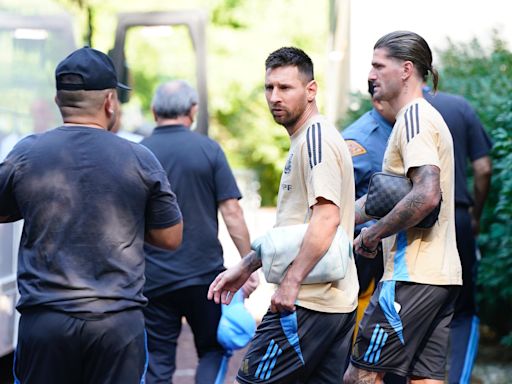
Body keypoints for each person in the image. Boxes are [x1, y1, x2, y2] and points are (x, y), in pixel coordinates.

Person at [0, 47, 183, 384]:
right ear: (110, 101)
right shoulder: (139, 159)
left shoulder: (25, 153)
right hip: (116, 325)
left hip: (45, 322)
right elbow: (171, 237)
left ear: (58, 100)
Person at [209, 46, 359, 383]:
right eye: (269, 87)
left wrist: (290, 284)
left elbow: (326, 219)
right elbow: (294, 230)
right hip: (329, 303)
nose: (274, 96)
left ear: (311, 90)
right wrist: (247, 265)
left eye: (285, 88)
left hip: (308, 301)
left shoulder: (316, 138)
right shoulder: (305, 138)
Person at [343, 31, 462, 384]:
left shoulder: (413, 119)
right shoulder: (422, 117)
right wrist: (338, 219)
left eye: (379, 66)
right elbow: (389, 195)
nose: (371, 75)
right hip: (441, 277)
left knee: (361, 376)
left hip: (411, 275)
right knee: (425, 380)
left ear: (406, 70)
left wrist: (371, 236)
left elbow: (426, 194)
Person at [140, 80, 258, 384]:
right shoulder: (208, 149)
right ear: (192, 111)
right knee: (213, 350)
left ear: (154, 112)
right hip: (205, 278)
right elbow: (232, 212)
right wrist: (248, 263)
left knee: (156, 362)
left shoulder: (139, 154)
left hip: (152, 279)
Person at [423, 87, 492, 383]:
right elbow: (484, 168)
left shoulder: (396, 109)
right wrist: (475, 213)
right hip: (459, 217)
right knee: (463, 311)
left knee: (419, 307)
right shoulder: (460, 106)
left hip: (416, 223)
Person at [342, 81, 395, 332]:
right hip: (364, 254)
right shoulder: (360, 140)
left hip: (390, 251)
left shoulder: (400, 129)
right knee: (359, 334)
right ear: (378, 101)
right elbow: (334, 202)